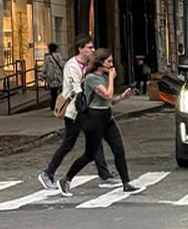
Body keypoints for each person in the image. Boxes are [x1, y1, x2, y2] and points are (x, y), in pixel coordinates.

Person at [56, 49, 144, 198]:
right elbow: (107, 93)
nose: (111, 64)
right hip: (93, 120)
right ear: (100, 63)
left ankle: (126, 183)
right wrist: (111, 77)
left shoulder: (103, 77)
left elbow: (110, 100)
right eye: (108, 62)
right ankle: (66, 180)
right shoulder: (91, 78)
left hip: (107, 117)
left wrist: (122, 96)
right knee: (89, 155)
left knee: (119, 150)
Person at [38, 35, 117, 190]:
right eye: (89, 47)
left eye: (93, 47)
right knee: (68, 143)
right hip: (74, 111)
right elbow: (77, 88)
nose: (93, 50)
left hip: (86, 110)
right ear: (81, 49)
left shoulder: (89, 64)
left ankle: (104, 175)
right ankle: (48, 173)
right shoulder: (72, 66)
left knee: (95, 141)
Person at [41, 42, 65, 112]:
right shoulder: (58, 56)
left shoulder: (47, 57)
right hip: (59, 76)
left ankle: (53, 105)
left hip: (51, 77)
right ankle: (59, 105)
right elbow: (62, 65)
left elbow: (44, 67)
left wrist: (42, 75)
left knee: (53, 92)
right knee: (60, 91)